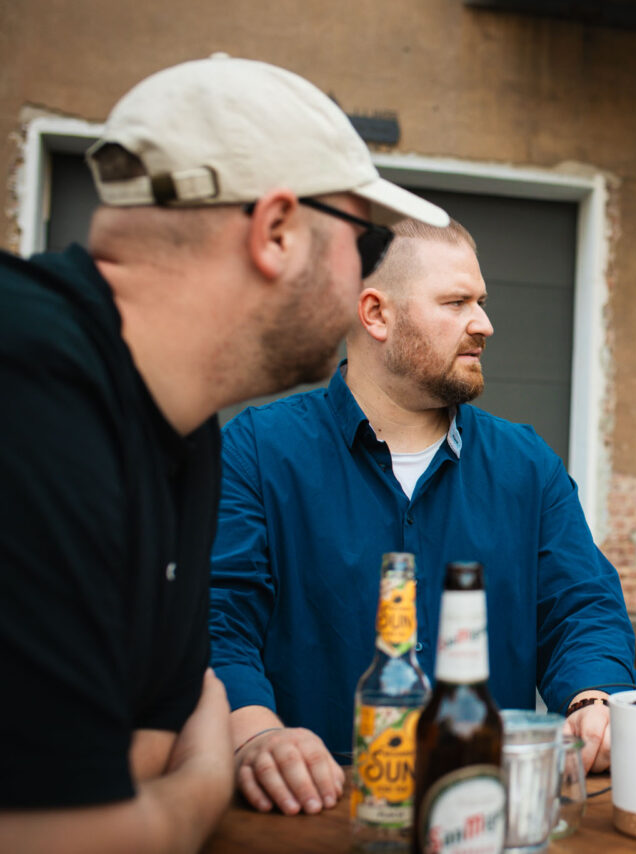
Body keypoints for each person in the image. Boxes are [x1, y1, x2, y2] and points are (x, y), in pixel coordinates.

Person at [0, 56, 448, 851]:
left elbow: (155, 728)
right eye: (365, 239)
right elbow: (67, 836)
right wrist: (207, 779)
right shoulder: (31, 382)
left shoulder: (182, 424)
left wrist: (182, 761)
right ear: (276, 230)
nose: (362, 283)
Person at [209, 218, 636, 816]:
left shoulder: (527, 465)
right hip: (313, 811)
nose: (484, 324)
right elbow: (217, 617)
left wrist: (594, 698)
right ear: (376, 314)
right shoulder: (258, 451)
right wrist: (254, 733)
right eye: (456, 302)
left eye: (481, 302)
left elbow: (581, 609)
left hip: (485, 813)